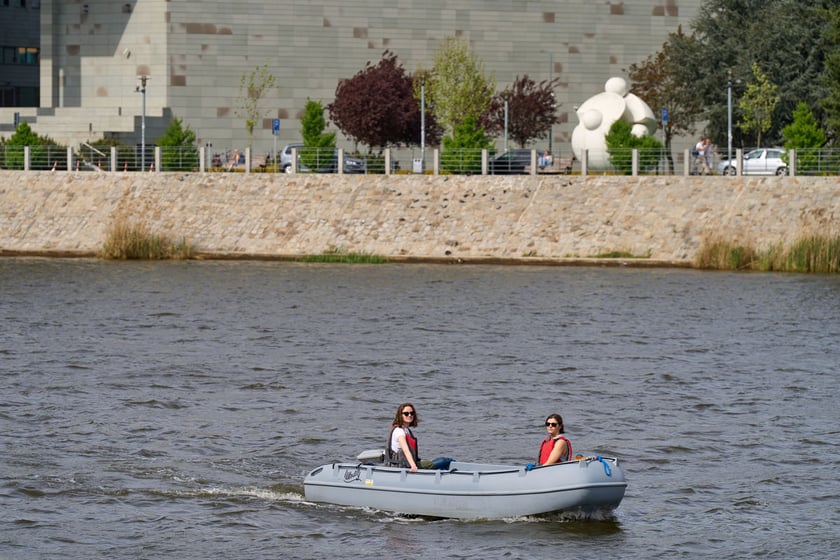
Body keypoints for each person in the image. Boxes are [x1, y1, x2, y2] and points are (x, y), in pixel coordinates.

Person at [386, 402, 422, 471]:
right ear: (400, 415)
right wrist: (413, 466)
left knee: (443, 461)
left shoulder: (406, 430)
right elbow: (406, 450)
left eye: (412, 413)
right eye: (406, 413)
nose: (409, 415)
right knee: (443, 461)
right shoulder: (399, 431)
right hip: (401, 465)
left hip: (408, 463)